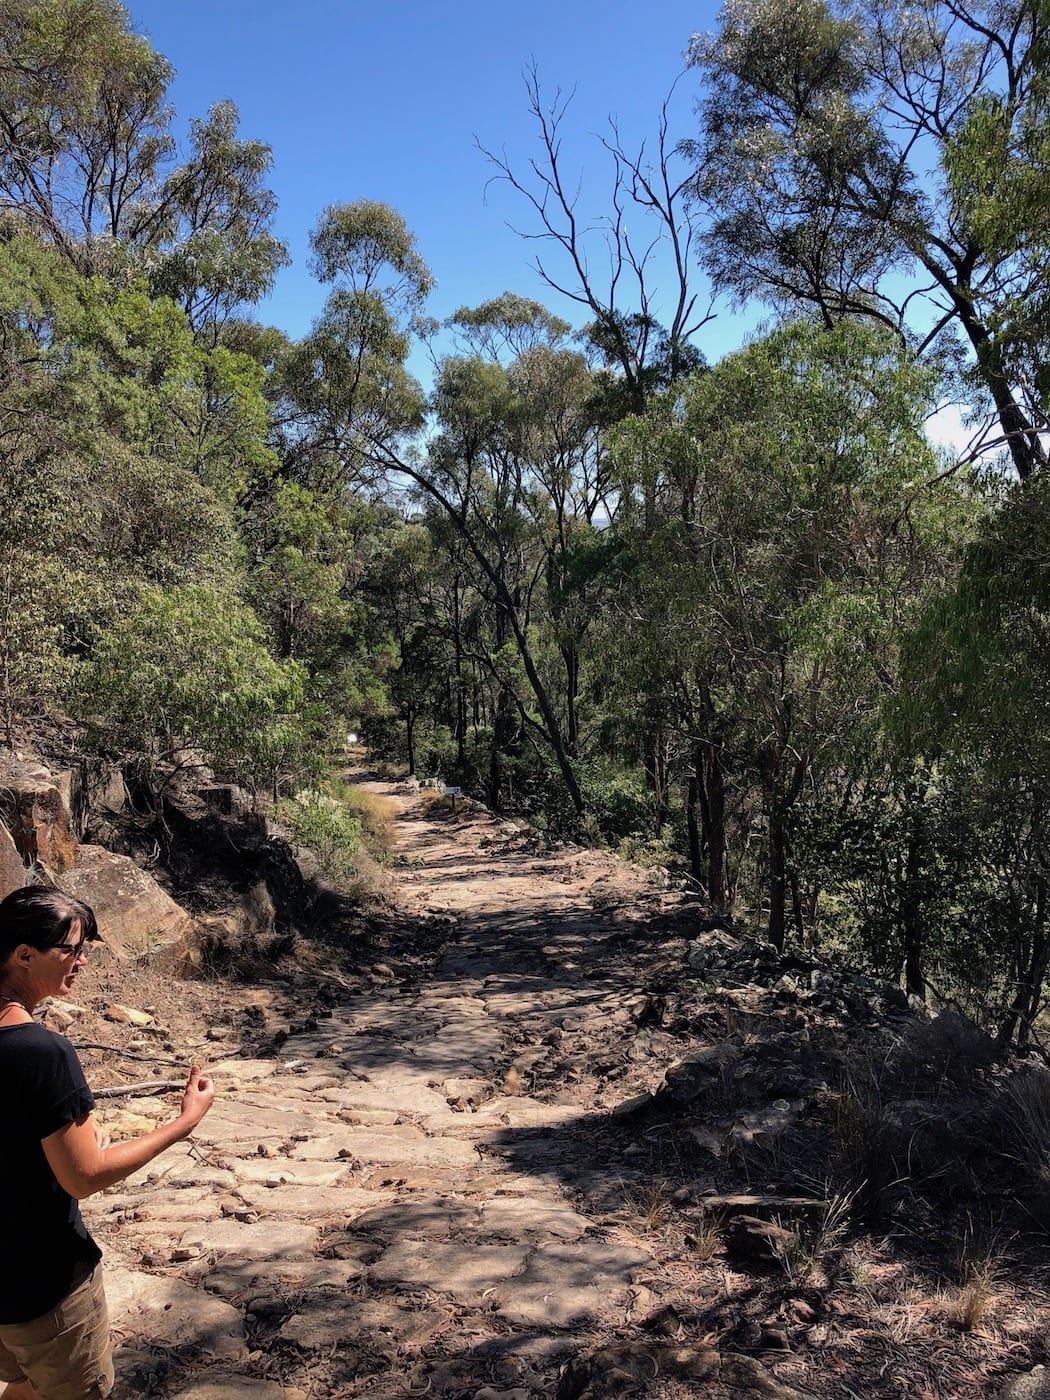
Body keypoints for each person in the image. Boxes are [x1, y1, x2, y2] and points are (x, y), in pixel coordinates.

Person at [0, 885, 215, 1400]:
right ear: (24, 956)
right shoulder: (41, 1053)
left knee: (24, 1383)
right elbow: (85, 1175)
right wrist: (182, 1123)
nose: (82, 962)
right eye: (71, 950)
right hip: (44, 1283)